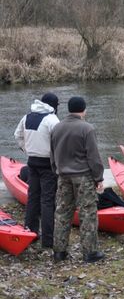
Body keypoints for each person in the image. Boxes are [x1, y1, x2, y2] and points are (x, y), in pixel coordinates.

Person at [50, 96, 105, 263]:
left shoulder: (57, 128)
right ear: (84, 109)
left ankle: (59, 252)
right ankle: (90, 252)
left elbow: (52, 154)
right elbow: (93, 157)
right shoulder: (86, 128)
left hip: (63, 176)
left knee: (62, 213)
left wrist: (57, 171)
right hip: (83, 177)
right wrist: (98, 177)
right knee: (87, 213)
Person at [14, 93, 60, 249]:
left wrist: (27, 150)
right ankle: (48, 241)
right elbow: (59, 142)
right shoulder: (52, 119)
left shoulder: (27, 117)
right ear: (54, 106)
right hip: (48, 165)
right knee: (47, 201)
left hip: (32, 162)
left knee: (32, 197)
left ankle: (31, 232)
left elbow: (17, 135)